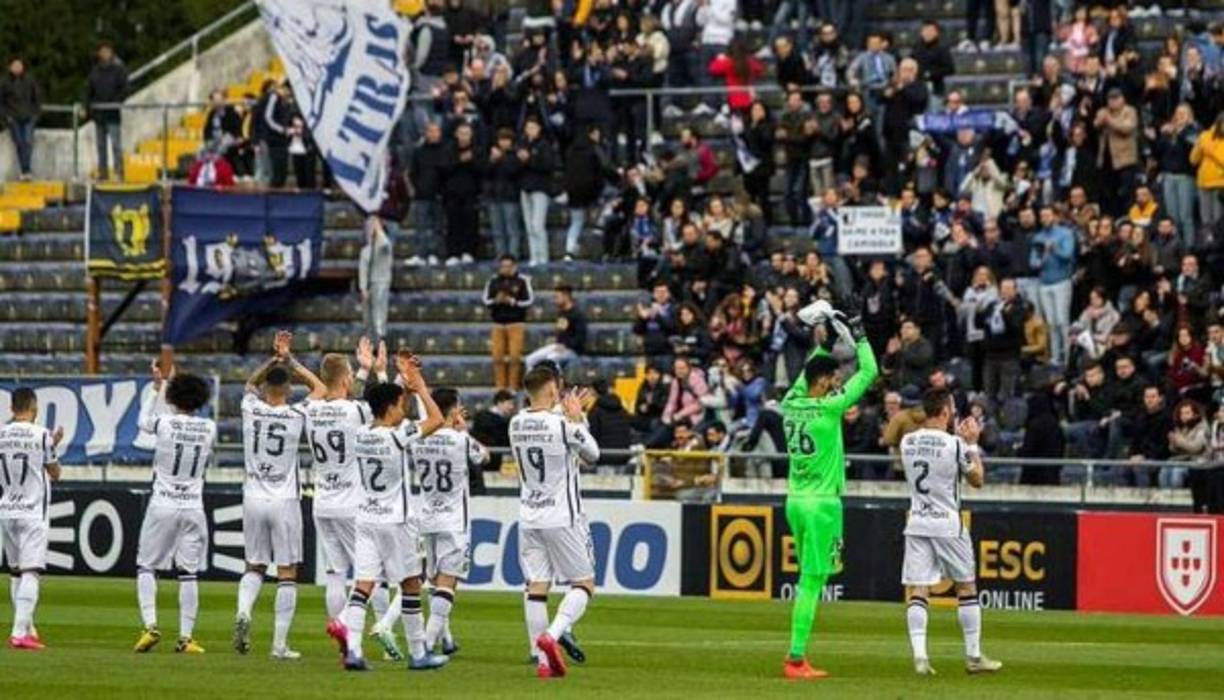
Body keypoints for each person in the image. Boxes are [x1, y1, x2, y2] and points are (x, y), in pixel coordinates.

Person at [326, 357, 448, 672]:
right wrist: (421, 389)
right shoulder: (398, 435)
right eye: (400, 404)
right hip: (396, 521)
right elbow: (437, 420)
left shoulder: (362, 434)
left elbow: (381, 406)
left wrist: (399, 388)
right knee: (410, 584)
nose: (403, 408)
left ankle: (353, 650)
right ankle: (419, 653)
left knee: (362, 585)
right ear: (391, 408)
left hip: (366, 518)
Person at [780, 305, 878, 680]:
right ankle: (795, 658)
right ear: (823, 384)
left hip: (795, 500)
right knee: (811, 581)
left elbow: (810, 371)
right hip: (821, 504)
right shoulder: (830, 408)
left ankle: (797, 655)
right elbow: (870, 371)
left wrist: (822, 330)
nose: (838, 383)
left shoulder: (790, 405)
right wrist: (858, 331)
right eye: (834, 379)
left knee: (810, 577)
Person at [232, 331, 324, 660]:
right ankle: (279, 645)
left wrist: (272, 360)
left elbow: (247, 385)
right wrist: (292, 361)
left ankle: (244, 612)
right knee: (286, 572)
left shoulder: (250, 408)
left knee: (254, 565)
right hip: (284, 500)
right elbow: (321, 389)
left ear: (265, 388)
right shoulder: (295, 415)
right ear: (286, 389)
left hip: (253, 498)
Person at [900, 388, 1002, 676]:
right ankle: (973, 656)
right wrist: (971, 444)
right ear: (945, 412)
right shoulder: (954, 445)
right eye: (953, 409)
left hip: (917, 521)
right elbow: (977, 480)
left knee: (918, 589)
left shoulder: (907, 441)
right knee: (966, 587)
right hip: (947, 523)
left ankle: (920, 657)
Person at [510, 367, 600, 679]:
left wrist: (566, 411)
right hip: (562, 516)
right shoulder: (563, 425)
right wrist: (577, 418)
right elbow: (592, 453)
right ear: (552, 389)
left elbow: (542, 421)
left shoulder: (515, 422)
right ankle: (554, 633)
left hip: (529, 516)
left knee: (536, 587)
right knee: (583, 584)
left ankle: (542, 660)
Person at [133, 362, 217, 654]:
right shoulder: (210, 428)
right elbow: (184, 424)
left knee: (146, 566)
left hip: (163, 503)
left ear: (172, 399)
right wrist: (169, 390)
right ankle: (185, 637)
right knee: (189, 573)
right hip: (193, 506)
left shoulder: (164, 423)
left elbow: (143, 421)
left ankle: (151, 626)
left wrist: (157, 389)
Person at [302, 339, 384, 630]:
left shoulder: (309, 409)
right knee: (370, 572)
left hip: (322, 502)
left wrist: (360, 371)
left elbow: (334, 395)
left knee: (335, 573)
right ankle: (382, 634)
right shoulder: (356, 411)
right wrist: (369, 370)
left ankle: (338, 627)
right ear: (347, 378)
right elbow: (375, 407)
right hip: (351, 502)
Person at [410, 387, 489, 655]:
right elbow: (484, 455)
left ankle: (442, 640)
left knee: (433, 582)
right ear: (454, 409)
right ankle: (427, 645)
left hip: (427, 518)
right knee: (448, 583)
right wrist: (462, 429)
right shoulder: (460, 440)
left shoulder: (418, 437)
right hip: (454, 521)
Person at [0, 387, 61, 649]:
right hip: (32, 512)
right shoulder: (42, 435)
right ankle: (19, 632)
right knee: (31, 572)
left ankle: (27, 627)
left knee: (16, 572)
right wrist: (54, 448)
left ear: (12, 409)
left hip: (6, 509)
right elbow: (55, 472)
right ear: (34, 409)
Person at [1029, 207, 1076, 365]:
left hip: (1061, 281)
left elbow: (1068, 254)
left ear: (1054, 216)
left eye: (1048, 215)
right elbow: (1033, 262)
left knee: (1063, 320)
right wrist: (1043, 256)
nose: (1045, 218)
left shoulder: (1065, 233)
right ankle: (1055, 356)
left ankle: (1068, 356)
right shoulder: (1038, 237)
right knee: (1051, 322)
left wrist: (1054, 248)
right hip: (1044, 283)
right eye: (1042, 215)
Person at [483, 255, 535, 390]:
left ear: (514, 266)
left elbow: (529, 301)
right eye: (503, 266)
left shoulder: (522, 280)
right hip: (498, 323)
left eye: (508, 266)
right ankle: (500, 387)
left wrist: (512, 302)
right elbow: (485, 300)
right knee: (497, 357)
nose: (505, 269)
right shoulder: (493, 281)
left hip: (516, 323)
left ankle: (512, 387)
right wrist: (496, 300)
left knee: (515, 357)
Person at [85, 43, 129, 181]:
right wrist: (87, 107)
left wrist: (116, 102)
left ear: (111, 53)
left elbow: (125, 88)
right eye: (102, 52)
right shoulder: (95, 71)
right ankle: (103, 173)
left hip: (112, 113)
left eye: (107, 51)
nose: (105, 54)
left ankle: (118, 172)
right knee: (101, 146)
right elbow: (88, 91)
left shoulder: (119, 70)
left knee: (116, 145)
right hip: (99, 115)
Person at [518, 115, 557, 266]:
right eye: (528, 128)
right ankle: (534, 255)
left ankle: (543, 255)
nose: (530, 131)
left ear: (539, 129)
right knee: (529, 225)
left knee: (537, 224)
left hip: (540, 188)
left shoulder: (544, 145)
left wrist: (530, 160)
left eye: (533, 127)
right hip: (525, 188)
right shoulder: (522, 144)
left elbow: (547, 165)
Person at [525, 284, 587, 370]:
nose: (555, 300)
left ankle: (555, 382)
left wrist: (566, 345)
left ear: (566, 296)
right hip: (558, 346)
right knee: (530, 359)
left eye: (557, 297)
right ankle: (532, 382)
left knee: (551, 359)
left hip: (572, 351)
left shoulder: (577, 315)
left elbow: (580, 338)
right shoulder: (561, 313)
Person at [0, 58, 42, 180]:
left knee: (28, 142)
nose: (17, 68)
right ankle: (25, 170)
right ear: (10, 67)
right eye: (15, 65)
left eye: (19, 65)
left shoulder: (29, 80)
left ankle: (26, 170)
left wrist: (36, 114)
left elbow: (37, 97)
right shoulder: (5, 82)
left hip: (29, 117)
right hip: (13, 118)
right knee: (19, 143)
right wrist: (6, 116)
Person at [359, 217, 393, 342]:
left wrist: (378, 229)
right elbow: (363, 270)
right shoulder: (366, 250)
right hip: (370, 284)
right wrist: (363, 288)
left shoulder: (384, 247)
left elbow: (385, 243)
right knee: (368, 317)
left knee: (379, 312)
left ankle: (380, 338)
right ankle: (370, 340)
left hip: (381, 282)